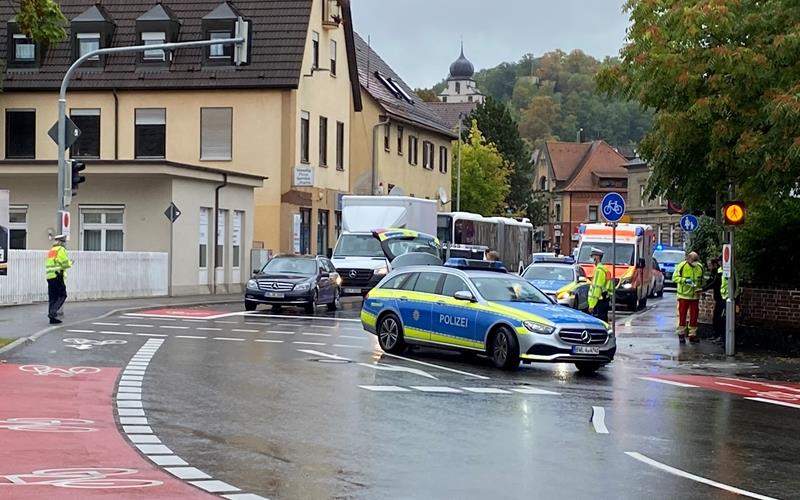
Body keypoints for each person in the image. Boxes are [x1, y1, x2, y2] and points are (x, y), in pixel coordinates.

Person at [673, 251, 704, 344]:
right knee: (682, 316)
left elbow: (701, 280)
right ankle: (681, 334)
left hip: (694, 296)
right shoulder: (681, 266)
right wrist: (684, 280)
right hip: (683, 296)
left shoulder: (700, 267)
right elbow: (674, 278)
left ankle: (692, 335)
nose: (695, 262)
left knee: (694, 316)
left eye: (696, 260)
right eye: (693, 260)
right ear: (689, 259)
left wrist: (700, 289)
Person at [45, 234, 72, 324]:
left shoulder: (51, 251)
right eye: (64, 242)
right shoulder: (61, 250)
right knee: (62, 295)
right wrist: (70, 263)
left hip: (50, 276)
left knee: (52, 297)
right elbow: (64, 263)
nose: (65, 244)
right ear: (61, 242)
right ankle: (52, 313)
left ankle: (52, 318)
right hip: (57, 275)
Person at [587, 247, 613, 322]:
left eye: (592, 256)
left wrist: (592, 305)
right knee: (604, 321)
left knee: (599, 323)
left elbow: (597, 290)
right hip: (605, 300)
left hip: (599, 302)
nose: (591, 259)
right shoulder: (605, 270)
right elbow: (609, 288)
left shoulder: (599, 271)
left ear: (597, 257)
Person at [702, 258, 725, 339]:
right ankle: (716, 334)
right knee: (716, 317)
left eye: (710, 265)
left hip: (722, 298)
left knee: (719, 318)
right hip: (718, 298)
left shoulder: (719, 272)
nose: (709, 267)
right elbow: (709, 281)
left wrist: (703, 289)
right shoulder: (714, 272)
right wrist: (703, 288)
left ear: (715, 265)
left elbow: (714, 283)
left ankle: (719, 335)